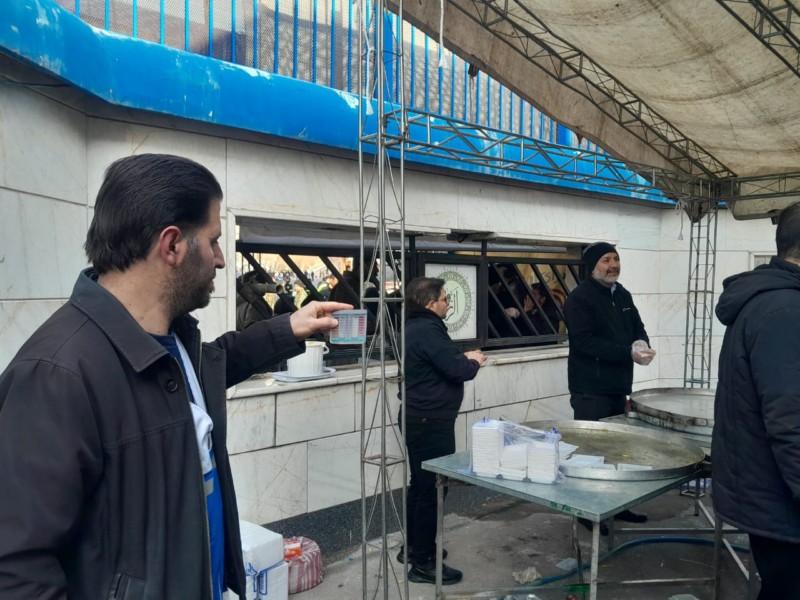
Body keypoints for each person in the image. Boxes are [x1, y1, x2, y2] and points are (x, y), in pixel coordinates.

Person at [0, 154, 351, 600]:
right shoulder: (56, 374)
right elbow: (16, 568)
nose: (221, 260)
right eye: (214, 240)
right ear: (172, 245)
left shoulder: (172, 340)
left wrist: (289, 327)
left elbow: (213, 364)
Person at [712, 202, 800, 599]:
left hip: (771, 493)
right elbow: (791, 419)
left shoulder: (777, 301)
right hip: (780, 500)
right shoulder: (785, 310)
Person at [398, 277, 487, 585]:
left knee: (420, 486)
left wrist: (462, 359)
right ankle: (423, 563)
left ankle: (413, 548)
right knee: (432, 489)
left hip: (419, 418)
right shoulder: (427, 329)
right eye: (445, 299)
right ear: (430, 303)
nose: (448, 304)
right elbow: (456, 369)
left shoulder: (415, 327)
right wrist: (474, 361)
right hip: (429, 422)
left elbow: (439, 362)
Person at [563, 241, 655, 529]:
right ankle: (586, 511)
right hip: (590, 389)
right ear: (592, 267)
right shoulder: (580, 299)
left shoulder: (622, 294)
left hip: (618, 386)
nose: (613, 265)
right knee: (590, 452)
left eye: (616, 258)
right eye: (606, 260)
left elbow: (637, 326)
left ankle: (616, 505)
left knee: (616, 450)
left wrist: (641, 343)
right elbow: (584, 342)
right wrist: (626, 353)